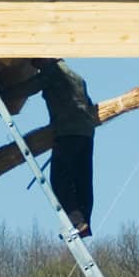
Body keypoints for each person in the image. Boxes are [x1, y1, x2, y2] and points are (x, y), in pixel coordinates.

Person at [34, 58, 98, 237]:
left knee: (60, 180)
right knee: (82, 180)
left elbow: (28, 87)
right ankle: (84, 222)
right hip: (86, 134)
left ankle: (76, 221)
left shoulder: (52, 73)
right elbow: (89, 105)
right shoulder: (77, 77)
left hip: (67, 133)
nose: (33, 63)